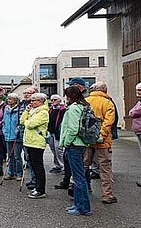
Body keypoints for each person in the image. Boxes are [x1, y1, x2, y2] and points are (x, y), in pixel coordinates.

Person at [59, 86, 92, 216]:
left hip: (74, 144)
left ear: (70, 97)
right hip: (81, 144)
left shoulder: (73, 109)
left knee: (78, 177)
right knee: (79, 176)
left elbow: (73, 129)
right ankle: (78, 205)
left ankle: (83, 207)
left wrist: (66, 142)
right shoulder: (82, 106)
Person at [85, 81, 117, 204]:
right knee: (105, 168)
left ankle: (75, 186)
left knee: (83, 165)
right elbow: (109, 122)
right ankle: (107, 195)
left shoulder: (86, 101)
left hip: (87, 140)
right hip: (103, 141)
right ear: (105, 90)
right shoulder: (108, 103)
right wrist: (101, 135)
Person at [21, 92, 49, 199]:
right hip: (29, 141)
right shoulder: (32, 110)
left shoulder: (43, 112)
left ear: (41, 101)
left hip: (37, 142)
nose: (32, 102)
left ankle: (41, 189)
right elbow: (22, 121)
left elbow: (30, 124)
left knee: (38, 167)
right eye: (31, 100)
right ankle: (37, 186)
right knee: (32, 165)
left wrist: (28, 121)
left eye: (34, 100)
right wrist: (27, 111)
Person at [2, 93, 24, 181]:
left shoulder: (19, 109)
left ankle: (19, 173)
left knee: (17, 156)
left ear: (15, 100)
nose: (8, 100)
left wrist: (18, 130)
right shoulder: (6, 109)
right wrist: (4, 130)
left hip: (17, 136)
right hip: (8, 135)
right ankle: (11, 173)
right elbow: (4, 121)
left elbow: (21, 122)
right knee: (10, 155)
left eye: (10, 99)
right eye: (8, 99)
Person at [47, 94, 66, 173]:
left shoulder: (63, 109)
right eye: (52, 100)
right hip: (51, 132)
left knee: (58, 149)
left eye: (55, 100)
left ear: (59, 100)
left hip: (58, 132)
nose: (53, 101)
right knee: (53, 149)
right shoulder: (51, 109)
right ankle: (57, 165)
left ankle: (63, 166)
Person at [129, 82, 141, 187]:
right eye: (137, 90)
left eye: (140, 90)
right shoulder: (139, 102)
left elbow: (133, 112)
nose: (138, 92)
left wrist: (132, 112)